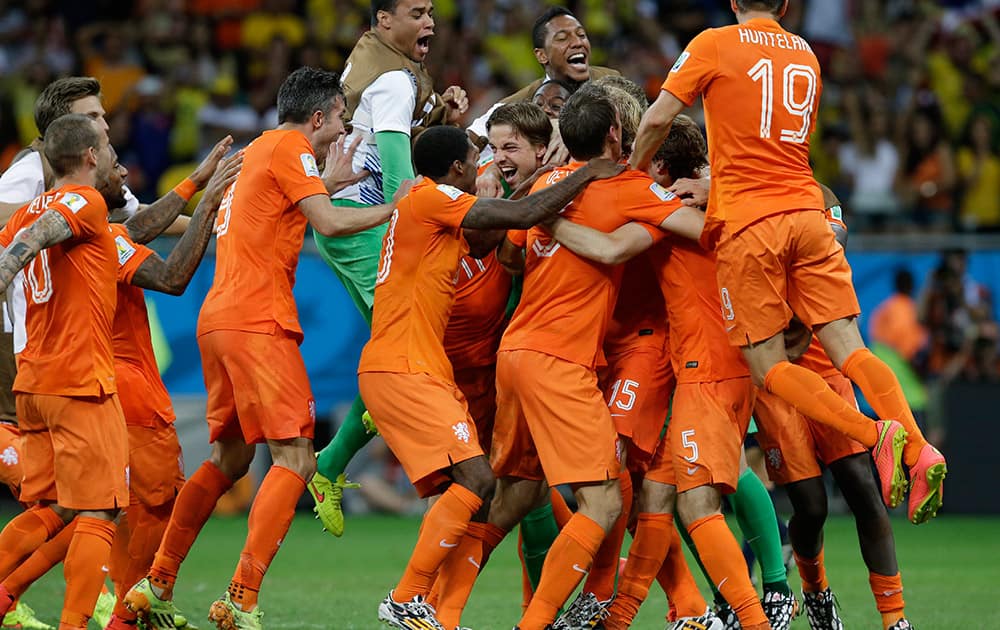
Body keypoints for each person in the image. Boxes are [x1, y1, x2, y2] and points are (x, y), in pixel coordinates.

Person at [629, 0, 946, 525]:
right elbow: (780, 146)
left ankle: (876, 435)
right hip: (808, 212)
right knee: (851, 349)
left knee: (769, 366)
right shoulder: (806, 54)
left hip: (751, 227)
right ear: (786, 5)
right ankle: (918, 447)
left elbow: (660, 117)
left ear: (734, 2)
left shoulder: (713, 43)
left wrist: (632, 178)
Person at [123, 66, 404, 628]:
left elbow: (281, 208)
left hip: (218, 321)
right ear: (319, 116)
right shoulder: (291, 146)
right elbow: (326, 222)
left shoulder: (257, 153)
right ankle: (242, 596)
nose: (342, 131)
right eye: (341, 119)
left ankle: (156, 583)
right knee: (296, 458)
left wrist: (332, 182)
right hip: (258, 319)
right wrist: (402, 206)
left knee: (227, 458)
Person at [455, 84, 701, 630]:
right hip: (566, 358)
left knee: (516, 493)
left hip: (515, 353)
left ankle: (434, 606)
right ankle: (555, 617)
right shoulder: (632, 187)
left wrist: (548, 222)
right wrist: (707, 197)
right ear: (617, 132)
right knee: (611, 498)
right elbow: (701, 232)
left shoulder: (544, 187)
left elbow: (513, 257)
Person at [363, 124, 621, 629]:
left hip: (413, 365)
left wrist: (541, 176)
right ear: (457, 168)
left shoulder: (423, 205)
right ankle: (406, 595)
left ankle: (434, 608)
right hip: (404, 365)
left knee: (474, 488)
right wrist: (586, 172)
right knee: (480, 480)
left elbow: (485, 241)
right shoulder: (433, 197)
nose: (483, 164)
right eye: (477, 155)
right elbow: (522, 216)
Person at [546, 114, 783, 630]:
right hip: (711, 364)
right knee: (657, 493)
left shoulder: (668, 207)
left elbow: (609, 248)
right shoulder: (707, 201)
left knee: (695, 505)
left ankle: (758, 613)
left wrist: (545, 219)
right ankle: (634, 616)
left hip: (708, 369)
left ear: (660, 163)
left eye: (644, 153)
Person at [308, 0, 470, 537]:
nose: (429, 21)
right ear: (384, 20)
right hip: (362, 220)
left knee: (393, 347)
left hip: (356, 217)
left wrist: (441, 116)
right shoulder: (395, 83)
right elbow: (404, 179)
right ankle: (339, 461)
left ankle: (330, 465)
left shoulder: (388, 69)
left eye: (431, 12)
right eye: (417, 12)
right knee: (407, 350)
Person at [753, 190, 916, 630]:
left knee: (863, 488)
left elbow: (835, 239)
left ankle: (895, 619)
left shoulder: (818, 193)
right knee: (811, 506)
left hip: (826, 366)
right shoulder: (741, 193)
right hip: (774, 375)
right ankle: (816, 591)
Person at [0, 113, 126, 629]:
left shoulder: (20, 212)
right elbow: (51, 228)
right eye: (107, 145)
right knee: (100, 511)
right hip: (78, 381)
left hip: (32, 386)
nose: (113, 153)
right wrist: (9, 263)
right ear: (90, 156)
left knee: (53, 508)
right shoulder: (85, 200)